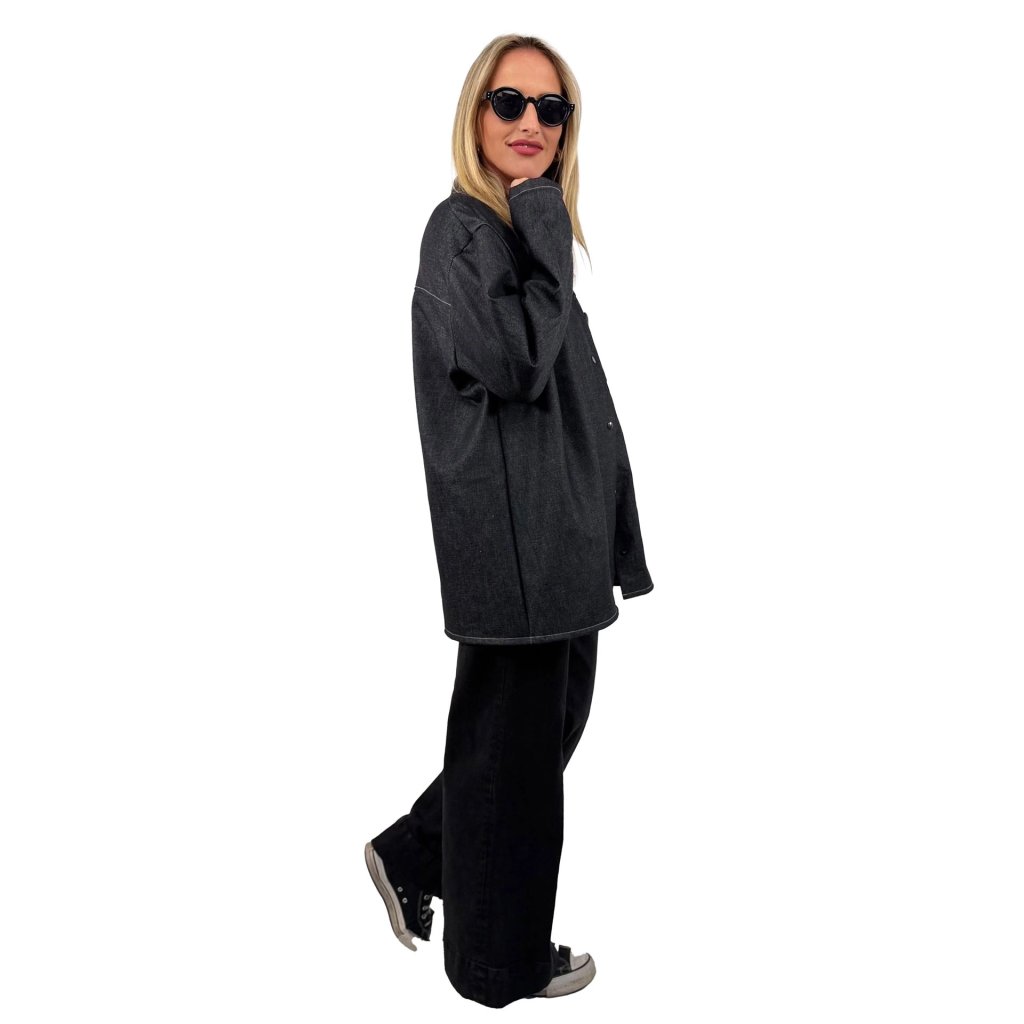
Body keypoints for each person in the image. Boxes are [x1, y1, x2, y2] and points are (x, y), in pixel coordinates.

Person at [364, 34, 655, 1008]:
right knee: (518, 759)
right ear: (474, 115)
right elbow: (522, 362)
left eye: (551, 109)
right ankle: (499, 961)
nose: (531, 122)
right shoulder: (465, 231)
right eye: (509, 103)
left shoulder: (512, 233)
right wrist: (541, 213)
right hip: (519, 546)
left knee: (533, 738)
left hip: (556, 538)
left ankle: (416, 852)